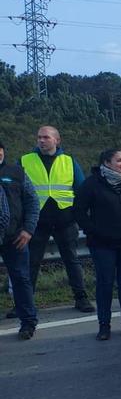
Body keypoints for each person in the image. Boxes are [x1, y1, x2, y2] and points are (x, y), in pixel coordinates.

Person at [75, 149, 121, 341]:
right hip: (102, 244)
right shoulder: (91, 184)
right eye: (119, 160)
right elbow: (79, 211)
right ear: (106, 162)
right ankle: (104, 325)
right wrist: (93, 230)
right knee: (105, 284)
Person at [22, 125, 92, 312]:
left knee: (71, 260)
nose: (41, 141)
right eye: (39, 137)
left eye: (46, 137)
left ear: (56, 140)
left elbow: (82, 190)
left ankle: (81, 298)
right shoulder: (26, 160)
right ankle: (24, 303)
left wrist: (79, 216)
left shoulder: (69, 161)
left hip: (65, 219)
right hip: (37, 221)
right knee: (31, 263)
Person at [0, 140, 39, 339]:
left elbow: (33, 201)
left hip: (15, 237)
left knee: (21, 280)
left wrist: (28, 230)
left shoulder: (16, 172)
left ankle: (28, 323)